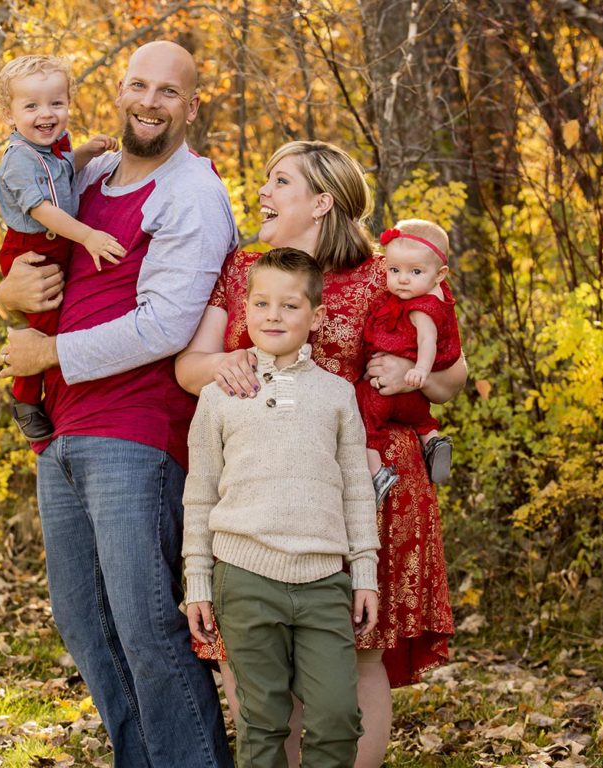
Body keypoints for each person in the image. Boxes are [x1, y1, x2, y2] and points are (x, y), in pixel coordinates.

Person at [174, 140, 466, 768]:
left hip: (366, 478)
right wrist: (225, 363)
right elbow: (189, 368)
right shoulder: (244, 269)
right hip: (257, 483)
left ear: (322, 201)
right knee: (255, 654)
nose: (264, 191)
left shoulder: (383, 275)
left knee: (355, 652)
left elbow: (448, 376)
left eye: (280, 181)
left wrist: (408, 371)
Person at [0, 40, 238, 768]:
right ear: (121, 90)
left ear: (191, 107)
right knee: (85, 625)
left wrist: (52, 354)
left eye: (169, 91)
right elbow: (30, 259)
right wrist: (5, 296)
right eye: (138, 85)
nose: (149, 101)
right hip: (62, 430)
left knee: (146, 627)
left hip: (136, 428)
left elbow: (166, 324)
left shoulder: (192, 193)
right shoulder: (90, 173)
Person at [183, 248, 380, 767]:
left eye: (290, 306)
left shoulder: (337, 395)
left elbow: (357, 489)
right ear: (244, 308)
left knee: (338, 717)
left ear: (316, 317)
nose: (273, 315)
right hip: (244, 578)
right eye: (262, 303)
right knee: (262, 721)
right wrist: (198, 581)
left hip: (323, 581)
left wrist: (364, 575)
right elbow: (200, 493)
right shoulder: (219, 396)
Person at [0, 54, 126, 440]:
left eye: (56, 103)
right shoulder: (19, 158)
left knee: (67, 316)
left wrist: (88, 151)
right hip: (33, 249)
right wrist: (88, 236)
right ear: (9, 114)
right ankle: (26, 399)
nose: (45, 114)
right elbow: (43, 209)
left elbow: (64, 172)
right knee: (45, 324)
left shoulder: (54, 147)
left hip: (56, 242)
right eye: (31, 106)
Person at [361, 219, 461, 508]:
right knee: (421, 418)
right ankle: (432, 439)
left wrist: (420, 371)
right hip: (414, 399)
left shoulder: (422, 308)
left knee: (366, 415)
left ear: (440, 274)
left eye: (415, 272)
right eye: (394, 270)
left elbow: (428, 342)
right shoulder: (423, 297)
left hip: (390, 390)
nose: (403, 279)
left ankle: (376, 472)